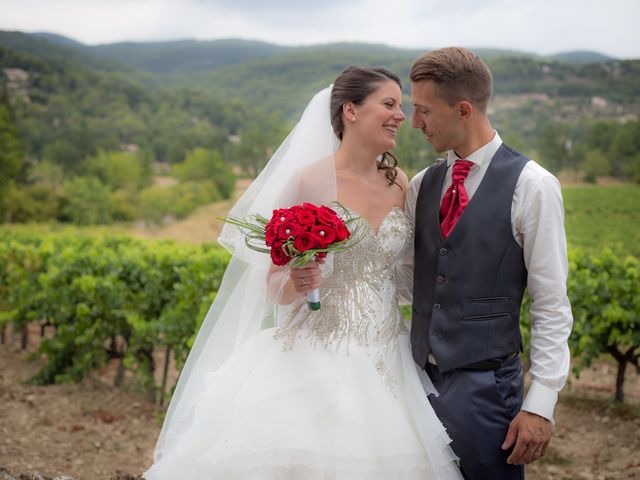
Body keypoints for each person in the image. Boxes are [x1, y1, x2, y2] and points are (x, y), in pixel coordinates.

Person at [144, 66, 463, 479]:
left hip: (390, 356)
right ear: (350, 110)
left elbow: (404, 272)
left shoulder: (400, 181)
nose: (401, 115)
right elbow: (275, 286)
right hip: (318, 351)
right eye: (388, 104)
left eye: (400, 106)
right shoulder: (310, 180)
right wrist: (296, 281)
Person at [404, 47, 573, 479]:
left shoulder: (534, 186)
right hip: (413, 383)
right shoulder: (422, 185)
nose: (415, 123)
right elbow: (407, 280)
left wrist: (541, 404)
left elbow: (551, 304)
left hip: (486, 391)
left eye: (424, 111)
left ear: (463, 109)